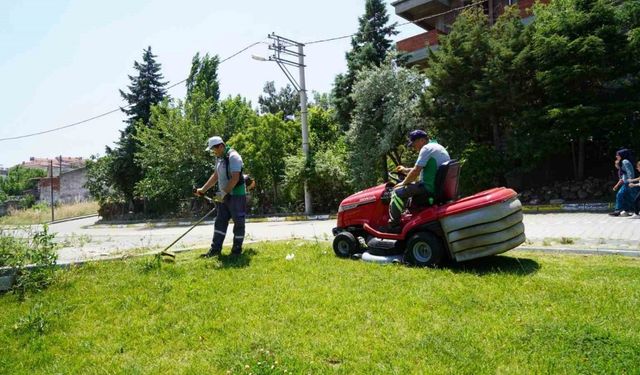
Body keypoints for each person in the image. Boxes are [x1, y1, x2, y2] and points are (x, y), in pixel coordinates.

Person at [384, 130, 450, 232]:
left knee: (396, 192)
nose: (414, 147)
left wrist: (403, 183)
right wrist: (405, 170)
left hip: (428, 187)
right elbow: (423, 169)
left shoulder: (426, 148)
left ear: (422, 140)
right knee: (407, 190)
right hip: (437, 186)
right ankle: (408, 215)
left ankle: (394, 224)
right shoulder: (437, 147)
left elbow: (416, 172)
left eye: (414, 143)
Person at [197, 136, 247, 257]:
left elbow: (235, 178)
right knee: (220, 221)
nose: (213, 152)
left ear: (221, 146)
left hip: (237, 195)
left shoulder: (234, 157)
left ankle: (236, 251)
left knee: (238, 222)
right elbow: (216, 176)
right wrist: (203, 189)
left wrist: (223, 193)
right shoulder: (219, 158)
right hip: (224, 195)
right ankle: (215, 250)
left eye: (214, 149)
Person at [610, 149, 637, 217]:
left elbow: (630, 172)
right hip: (626, 183)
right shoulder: (622, 164)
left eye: (618, 155)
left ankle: (618, 210)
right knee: (628, 197)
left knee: (620, 195)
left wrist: (630, 181)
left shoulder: (625, 161)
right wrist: (616, 185)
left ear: (622, 155)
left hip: (628, 183)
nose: (616, 156)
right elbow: (622, 178)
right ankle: (624, 210)